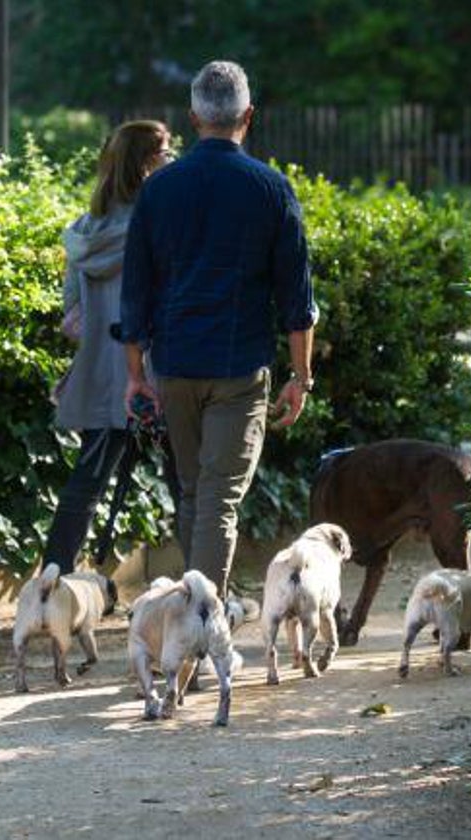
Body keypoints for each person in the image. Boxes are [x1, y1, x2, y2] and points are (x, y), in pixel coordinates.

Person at [120, 60, 317, 595]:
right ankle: (202, 622)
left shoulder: (158, 191)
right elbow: (296, 299)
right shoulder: (271, 189)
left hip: (175, 362)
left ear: (192, 118)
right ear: (248, 116)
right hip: (239, 365)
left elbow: (136, 288)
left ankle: (200, 604)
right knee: (218, 499)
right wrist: (301, 375)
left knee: (193, 493)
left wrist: (135, 373)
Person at [41, 120, 175, 574]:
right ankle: (210, 588)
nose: (172, 160)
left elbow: (72, 314)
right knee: (188, 483)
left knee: (87, 481)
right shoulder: (158, 223)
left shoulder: (85, 230)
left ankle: (52, 579)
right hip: (157, 371)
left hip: (102, 372)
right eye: (165, 152)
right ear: (145, 163)